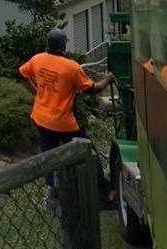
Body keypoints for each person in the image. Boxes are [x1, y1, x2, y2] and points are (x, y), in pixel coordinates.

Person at [18, 27, 115, 209]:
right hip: (64, 124)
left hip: (40, 119)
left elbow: (21, 74)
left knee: (49, 158)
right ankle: (103, 197)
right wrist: (107, 80)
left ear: (48, 44)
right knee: (90, 155)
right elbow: (91, 89)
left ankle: (51, 198)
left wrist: (36, 93)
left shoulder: (37, 59)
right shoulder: (71, 67)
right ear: (63, 44)